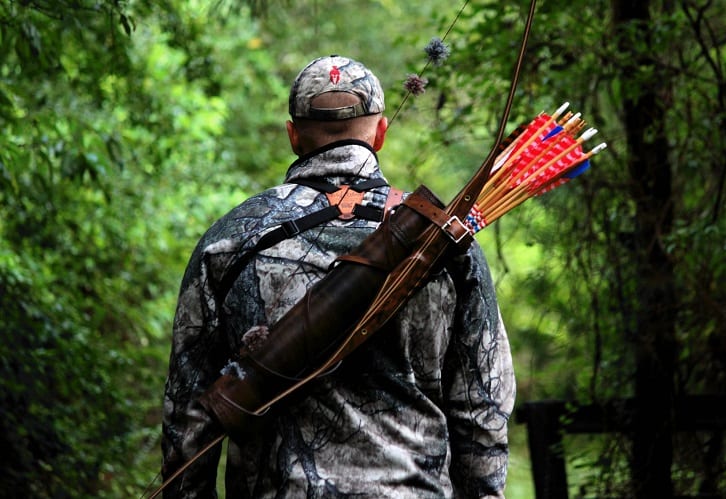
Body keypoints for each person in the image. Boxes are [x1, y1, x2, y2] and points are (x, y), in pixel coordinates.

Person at [160, 54, 516, 498]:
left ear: (293, 135)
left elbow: (187, 420)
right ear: (381, 133)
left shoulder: (230, 240)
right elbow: (483, 410)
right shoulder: (443, 243)